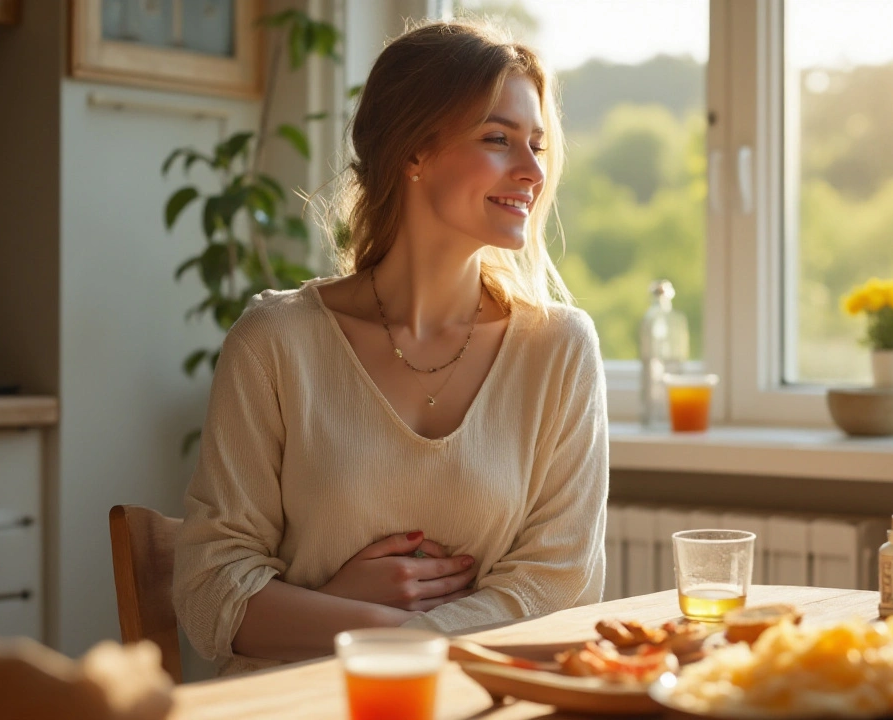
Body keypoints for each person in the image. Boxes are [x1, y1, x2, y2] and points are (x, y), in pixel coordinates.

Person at [172, 19, 608, 676]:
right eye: (498, 139)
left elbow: (559, 590)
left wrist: (339, 618)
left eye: (538, 146)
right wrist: (381, 625)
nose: (532, 172)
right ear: (413, 151)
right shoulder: (273, 344)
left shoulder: (559, 349)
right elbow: (210, 593)